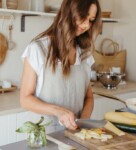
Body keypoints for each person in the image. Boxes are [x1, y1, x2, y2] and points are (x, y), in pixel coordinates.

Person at [20, 0, 101, 132]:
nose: (86, 24)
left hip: (76, 136)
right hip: (44, 136)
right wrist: (59, 112)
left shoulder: (85, 54)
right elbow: (25, 99)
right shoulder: (38, 49)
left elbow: (89, 97)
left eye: (91, 20)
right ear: (69, 11)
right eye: (83, 16)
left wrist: (83, 123)